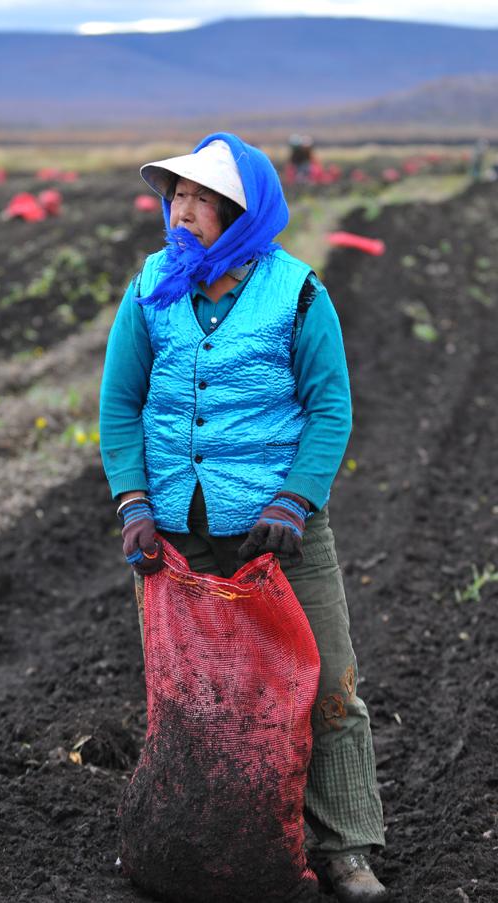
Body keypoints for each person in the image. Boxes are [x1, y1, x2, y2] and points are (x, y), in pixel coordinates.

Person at [99, 132, 387, 903]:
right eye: (177, 198)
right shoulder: (152, 287)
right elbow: (120, 404)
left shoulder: (298, 293)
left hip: (277, 532)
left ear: (242, 211)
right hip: (177, 537)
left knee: (326, 681)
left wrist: (294, 499)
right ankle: (207, 846)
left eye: (199, 200)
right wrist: (134, 502)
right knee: (191, 688)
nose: (181, 212)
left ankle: (346, 847)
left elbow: (330, 409)